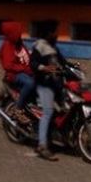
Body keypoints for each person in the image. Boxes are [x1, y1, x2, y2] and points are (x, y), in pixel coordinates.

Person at [30, 20, 70, 162]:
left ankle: (57, 137)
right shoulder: (39, 45)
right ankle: (42, 145)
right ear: (48, 33)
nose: (56, 34)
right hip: (44, 84)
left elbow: (63, 62)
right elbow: (33, 63)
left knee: (64, 109)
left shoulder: (53, 47)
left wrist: (73, 68)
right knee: (48, 112)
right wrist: (44, 68)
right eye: (54, 31)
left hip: (56, 84)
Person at [0, 21, 34, 125]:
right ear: (11, 33)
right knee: (30, 83)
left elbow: (27, 57)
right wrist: (24, 69)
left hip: (26, 71)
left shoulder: (20, 43)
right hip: (14, 75)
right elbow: (8, 65)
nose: (19, 34)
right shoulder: (7, 45)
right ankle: (18, 109)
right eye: (17, 32)